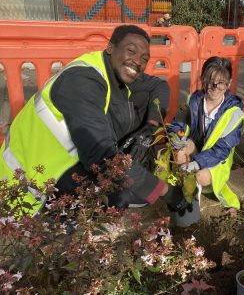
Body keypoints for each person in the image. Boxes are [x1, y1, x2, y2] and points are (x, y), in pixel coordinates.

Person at [0, 24, 190, 216]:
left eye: (144, 59)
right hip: (25, 190)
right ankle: (69, 224)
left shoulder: (112, 71)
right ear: (110, 48)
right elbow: (103, 156)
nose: (137, 62)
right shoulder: (82, 81)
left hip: (63, 167)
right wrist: (166, 192)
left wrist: (150, 128)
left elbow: (159, 86)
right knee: (119, 195)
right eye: (130, 51)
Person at [168, 57, 244, 209]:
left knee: (201, 176)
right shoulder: (194, 99)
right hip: (198, 147)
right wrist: (176, 136)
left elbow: (222, 150)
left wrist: (196, 163)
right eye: (210, 80)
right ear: (202, 79)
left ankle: (193, 191)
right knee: (179, 152)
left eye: (221, 82)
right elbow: (178, 122)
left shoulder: (235, 114)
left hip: (218, 159)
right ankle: (184, 189)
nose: (215, 86)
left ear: (229, 83)